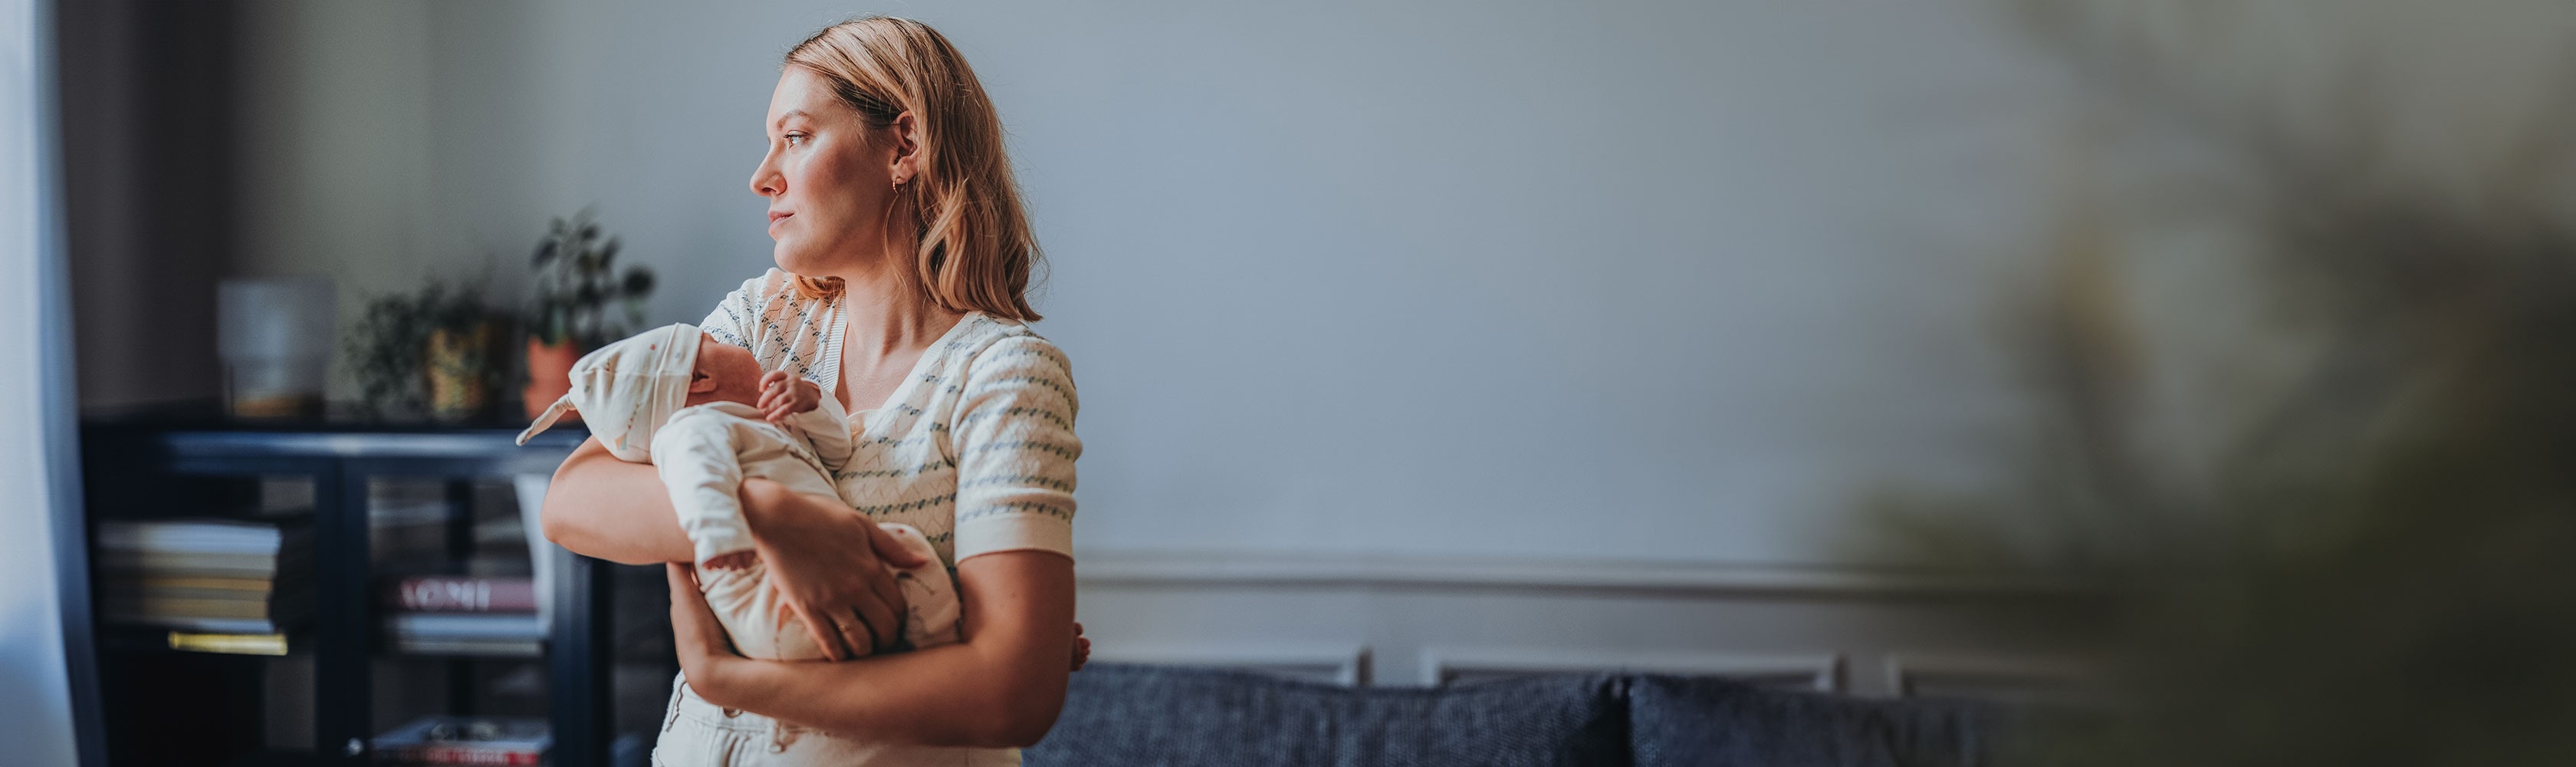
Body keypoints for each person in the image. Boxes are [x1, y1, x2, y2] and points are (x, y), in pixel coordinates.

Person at [538, 15, 1083, 766]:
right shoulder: (764, 319)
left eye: (795, 137)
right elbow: (571, 500)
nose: (762, 175)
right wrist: (768, 515)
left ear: (905, 146)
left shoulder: (1004, 374)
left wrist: (727, 677)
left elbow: (1010, 695)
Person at [517, 323, 962, 665]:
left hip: (795, 596)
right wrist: (724, 536)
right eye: (714, 340)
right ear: (701, 378)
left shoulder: (761, 424)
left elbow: (838, 447)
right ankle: (938, 640)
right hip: (762, 593)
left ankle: (922, 646)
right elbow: (700, 485)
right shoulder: (691, 430)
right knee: (906, 551)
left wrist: (811, 403)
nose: (739, 344)